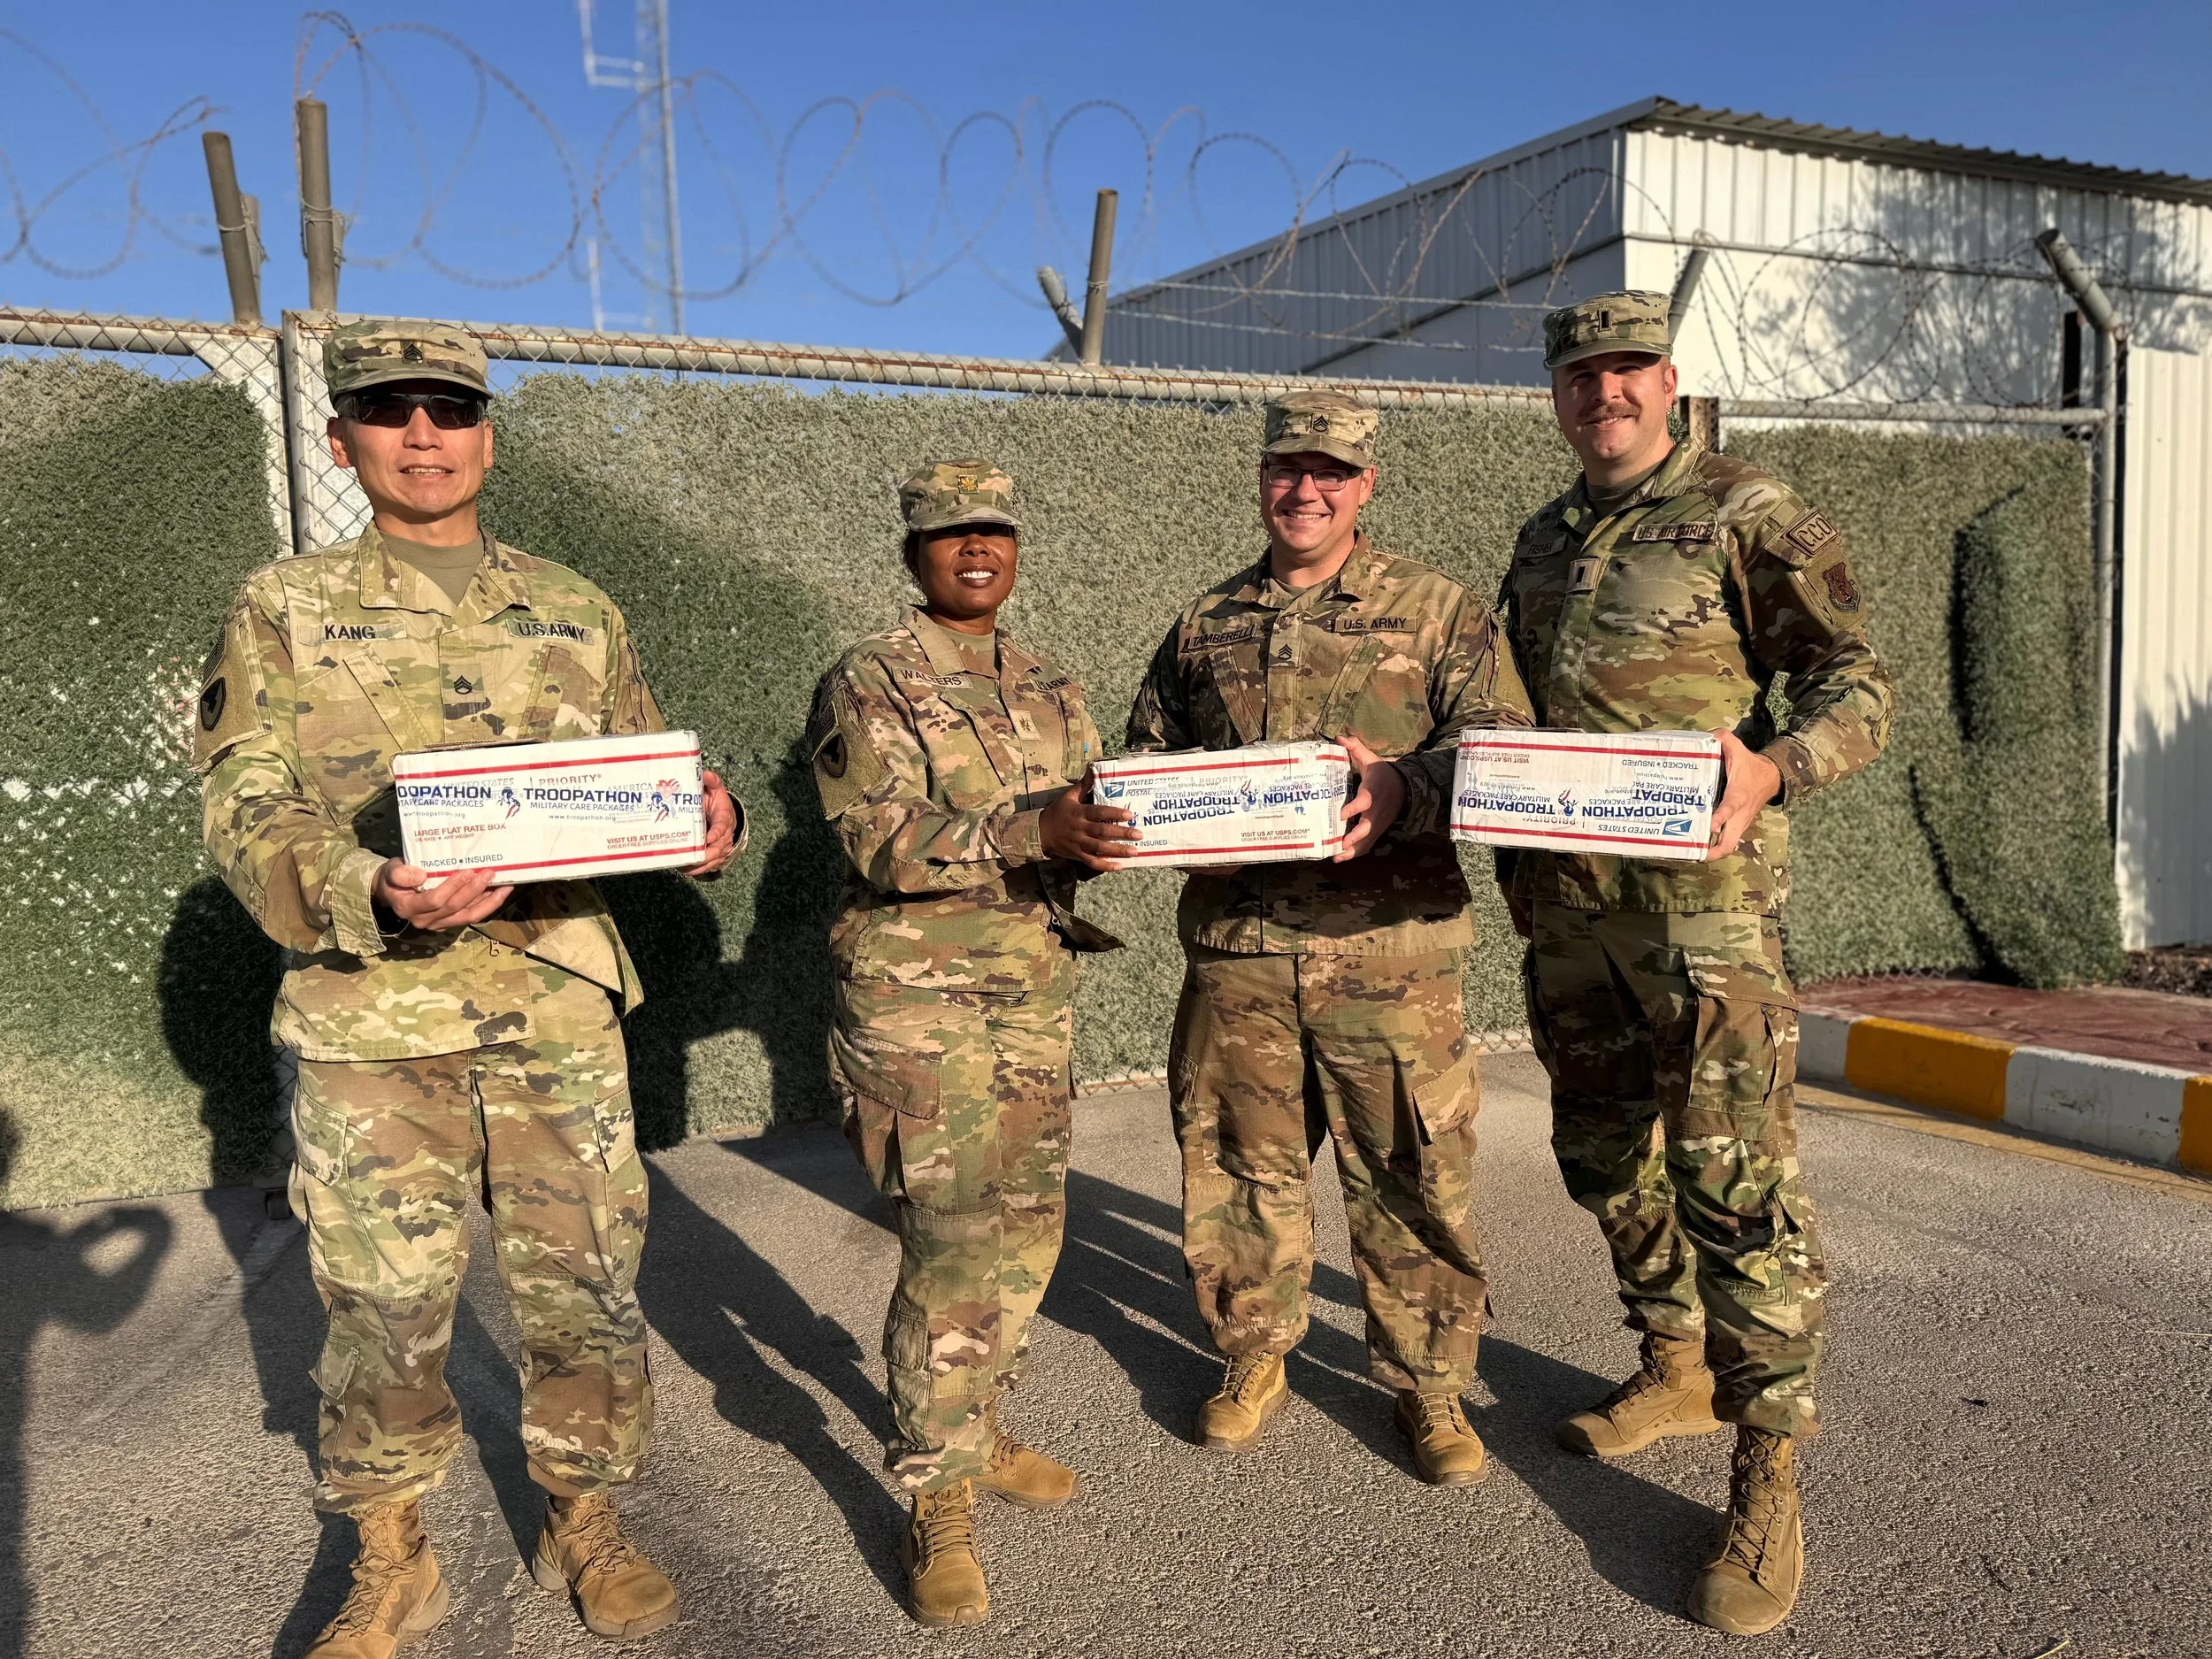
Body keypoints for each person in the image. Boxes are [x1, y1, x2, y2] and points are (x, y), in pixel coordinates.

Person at [194, 319, 742, 1655]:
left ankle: (587, 1516)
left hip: (554, 1003)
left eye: (449, 408)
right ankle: (392, 1552)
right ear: (343, 442)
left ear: (489, 434)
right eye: (391, 412)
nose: (423, 434)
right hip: (374, 1017)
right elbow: (240, 801)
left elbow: (640, 768)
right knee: (381, 1303)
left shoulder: (574, 604)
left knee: (586, 1284)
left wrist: (703, 806)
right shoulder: (286, 606)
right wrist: (365, 886)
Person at [1502, 291, 1894, 1636]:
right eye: (1577, 376)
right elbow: (1516, 713)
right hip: (1571, 910)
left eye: (1624, 372)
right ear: (1556, 394)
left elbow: (1857, 682)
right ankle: (1673, 1358)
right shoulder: (1543, 536)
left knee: (1735, 1175)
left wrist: (1774, 764)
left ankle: (1768, 1464)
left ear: (1666, 380)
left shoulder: (1749, 512)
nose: (1600, 395)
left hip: (1705, 909)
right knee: (1605, 1150)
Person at [1124, 390, 1534, 1486]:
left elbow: (1502, 748)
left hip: (1391, 954)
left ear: (1365, 484)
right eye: (1286, 469)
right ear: (1261, 477)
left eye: (1330, 472)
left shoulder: (1437, 609)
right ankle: (1252, 1356)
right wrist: (1150, 822)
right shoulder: (1206, 623)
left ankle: (1429, 1386)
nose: (1304, 490)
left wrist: (1405, 785)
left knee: (1411, 1173)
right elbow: (1148, 759)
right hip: (1241, 952)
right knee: (1238, 1171)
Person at [806, 459, 1133, 1628]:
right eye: (950, 534)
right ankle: (935, 1489)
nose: (975, 548)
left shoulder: (1051, 680)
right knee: (949, 1238)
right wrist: (1030, 824)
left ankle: (980, 1417)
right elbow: (877, 836)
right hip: (916, 994)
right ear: (914, 552)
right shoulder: (871, 676)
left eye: (993, 526)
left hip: (1030, 984)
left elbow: (1078, 813)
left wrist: (1096, 837)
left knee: (1031, 1222)